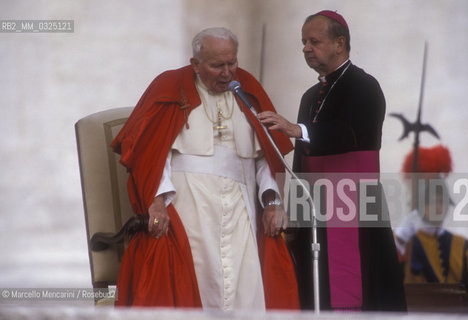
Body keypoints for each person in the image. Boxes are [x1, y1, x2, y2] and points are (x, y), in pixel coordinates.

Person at [111, 27, 299, 311]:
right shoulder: (169, 87)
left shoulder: (247, 89)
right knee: (197, 280)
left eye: (231, 63)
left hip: (241, 205)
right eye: (217, 65)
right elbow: (155, 153)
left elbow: (265, 156)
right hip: (189, 203)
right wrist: (158, 200)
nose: (227, 73)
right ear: (195, 64)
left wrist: (272, 201)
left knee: (243, 284)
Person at [258, 10, 406, 311]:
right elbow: (302, 160)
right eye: (303, 42)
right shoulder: (311, 95)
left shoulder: (364, 86)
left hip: (354, 205)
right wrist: (294, 212)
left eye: (314, 41)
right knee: (315, 291)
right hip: (315, 209)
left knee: (361, 291)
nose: (306, 48)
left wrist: (297, 129)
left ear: (340, 43)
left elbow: (347, 134)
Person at [395, 145, 468, 314]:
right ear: (420, 206)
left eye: (442, 201)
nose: (438, 208)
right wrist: (399, 240)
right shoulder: (403, 243)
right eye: (431, 201)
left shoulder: (465, 249)